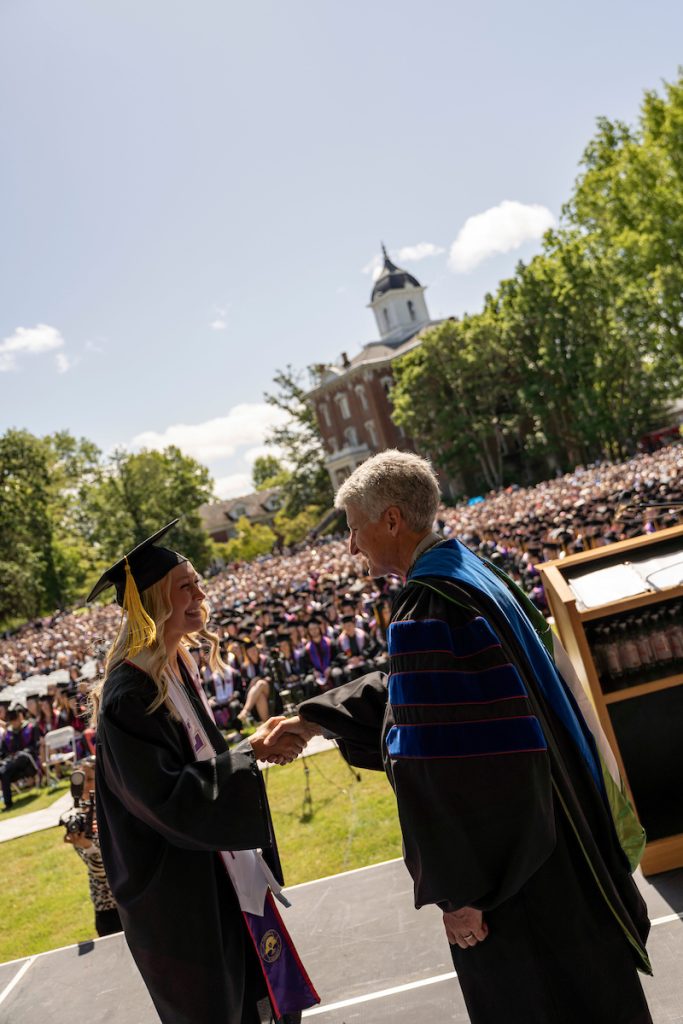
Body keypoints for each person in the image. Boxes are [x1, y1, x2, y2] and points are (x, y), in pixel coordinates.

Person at [267, 450, 653, 1024]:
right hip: (564, 838)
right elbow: (419, 695)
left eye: (353, 529)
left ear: (392, 520)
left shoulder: (428, 607)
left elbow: (450, 767)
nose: (351, 546)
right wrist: (316, 717)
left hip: (521, 885)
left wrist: (461, 895)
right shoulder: (468, 575)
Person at [88, 520, 318, 1024]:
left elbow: (202, 765)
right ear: (152, 601)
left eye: (197, 581)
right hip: (181, 897)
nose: (199, 593)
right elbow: (166, 798)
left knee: (264, 1004)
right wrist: (248, 756)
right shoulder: (130, 696)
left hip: (218, 872)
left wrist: (244, 756)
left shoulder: (174, 668)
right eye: (184, 585)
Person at [62, 757, 123, 937]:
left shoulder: (118, 810)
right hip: (107, 906)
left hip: (132, 899)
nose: (85, 786)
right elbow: (102, 872)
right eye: (79, 780)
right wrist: (88, 847)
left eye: (89, 779)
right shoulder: (78, 824)